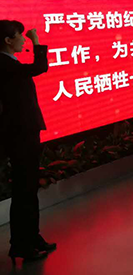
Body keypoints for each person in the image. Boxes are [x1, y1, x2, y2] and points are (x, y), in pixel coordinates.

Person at [0, 20, 56, 263]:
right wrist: (37, 42)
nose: (23, 39)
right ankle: (22, 245)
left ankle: (32, 238)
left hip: (25, 133)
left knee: (29, 190)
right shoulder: (3, 64)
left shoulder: (9, 63)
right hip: (19, 135)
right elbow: (40, 66)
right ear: (7, 41)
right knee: (24, 191)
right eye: (20, 36)